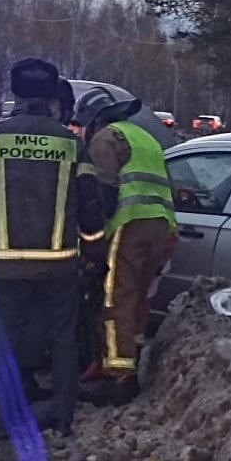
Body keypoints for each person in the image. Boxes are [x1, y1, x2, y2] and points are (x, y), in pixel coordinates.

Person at [0, 58, 107, 439]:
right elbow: (91, 204)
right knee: (62, 338)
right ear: (50, 97)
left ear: (15, 94)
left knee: (6, 340)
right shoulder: (70, 142)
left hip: (5, 262)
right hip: (60, 264)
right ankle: (63, 417)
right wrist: (94, 247)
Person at [73, 86, 177, 406]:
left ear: (93, 120)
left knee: (117, 297)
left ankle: (118, 379)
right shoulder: (144, 136)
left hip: (130, 225)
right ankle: (128, 360)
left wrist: (91, 239)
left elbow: (102, 194)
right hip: (162, 226)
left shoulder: (106, 138)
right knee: (138, 299)